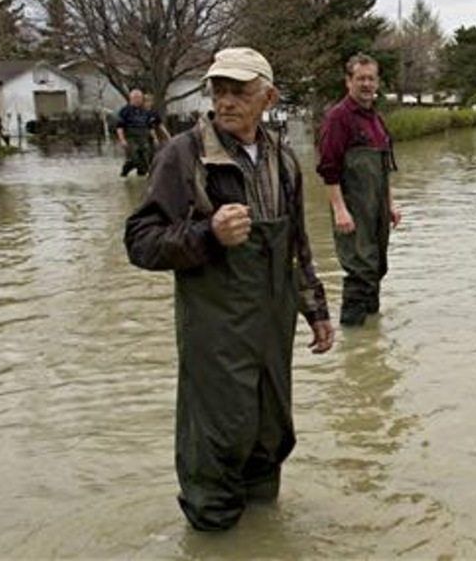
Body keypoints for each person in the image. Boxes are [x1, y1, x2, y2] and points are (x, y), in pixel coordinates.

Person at [123, 47, 335, 531]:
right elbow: (140, 242)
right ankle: (213, 537)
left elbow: (297, 246)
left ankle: (263, 537)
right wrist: (206, 235)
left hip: (272, 333)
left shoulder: (284, 161)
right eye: (219, 89)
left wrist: (316, 310)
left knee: (270, 440)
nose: (227, 100)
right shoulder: (183, 155)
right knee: (215, 448)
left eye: (240, 90)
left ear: (269, 97)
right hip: (215, 339)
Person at [318, 53, 401, 327]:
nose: (366, 84)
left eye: (371, 78)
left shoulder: (376, 119)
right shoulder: (338, 118)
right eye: (360, 78)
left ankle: (371, 339)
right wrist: (340, 210)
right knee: (359, 271)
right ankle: (352, 341)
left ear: (377, 82)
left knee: (377, 266)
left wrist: (389, 205)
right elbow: (328, 169)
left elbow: (385, 168)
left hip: (377, 207)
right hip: (352, 208)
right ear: (348, 81)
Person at [116, 88, 163, 176]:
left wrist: (155, 138)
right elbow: (119, 127)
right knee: (135, 158)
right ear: (131, 99)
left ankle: (140, 181)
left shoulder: (145, 111)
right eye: (136, 98)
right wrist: (122, 140)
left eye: (140, 98)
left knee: (146, 161)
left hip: (144, 138)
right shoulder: (125, 111)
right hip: (131, 139)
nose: (138, 100)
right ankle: (125, 171)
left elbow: (150, 127)